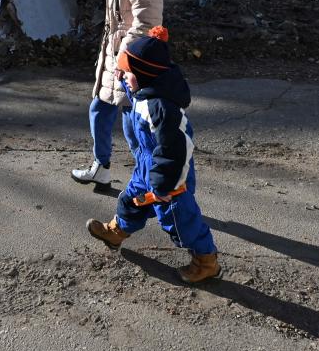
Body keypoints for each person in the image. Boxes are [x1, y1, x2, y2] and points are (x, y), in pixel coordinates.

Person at [85, 26, 221, 284]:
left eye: (126, 72)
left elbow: (174, 150)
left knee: (180, 221)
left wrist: (164, 185)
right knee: (132, 200)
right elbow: (135, 83)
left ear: (143, 75)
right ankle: (116, 232)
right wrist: (124, 74)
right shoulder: (145, 91)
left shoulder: (161, 108)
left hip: (171, 178)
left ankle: (206, 260)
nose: (122, 75)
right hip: (148, 167)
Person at [71, 0, 165, 187]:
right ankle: (102, 167)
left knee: (132, 125)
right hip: (115, 56)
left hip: (130, 59)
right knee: (99, 107)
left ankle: (151, 185)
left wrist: (126, 60)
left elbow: (148, 21)